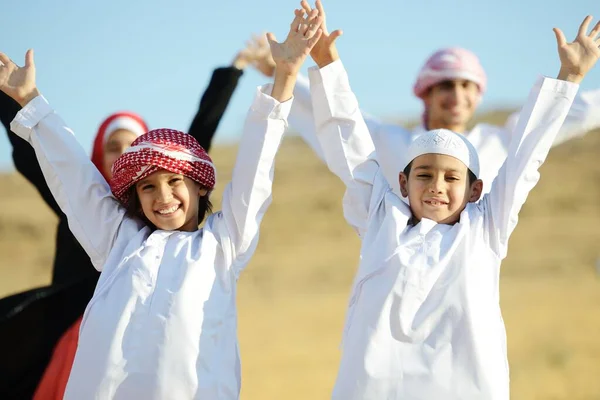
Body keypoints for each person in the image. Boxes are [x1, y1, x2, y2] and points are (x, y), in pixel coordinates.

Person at [0, 5, 323, 398]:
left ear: (201, 186)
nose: (163, 196)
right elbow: (73, 174)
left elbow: (257, 167)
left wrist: (286, 77)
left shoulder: (221, 245)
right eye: (148, 187)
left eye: (175, 182)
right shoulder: (117, 241)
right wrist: (30, 100)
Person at [303, 1, 598, 398]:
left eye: (451, 178)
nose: (436, 186)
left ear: (475, 190)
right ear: (403, 184)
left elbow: (528, 156)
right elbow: (348, 143)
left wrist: (569, 76)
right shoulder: (381, 220)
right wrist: (327, 63)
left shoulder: (486, 227)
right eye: (424, 175)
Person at [250, 7, 600, 196]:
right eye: (446, 85)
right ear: (426, 92)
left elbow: (563, 118)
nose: (457, 96)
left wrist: (571, 74)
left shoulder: (499, 143)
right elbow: (335, 117)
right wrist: (280, 72)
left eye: (468, 86)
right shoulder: (389, 141)